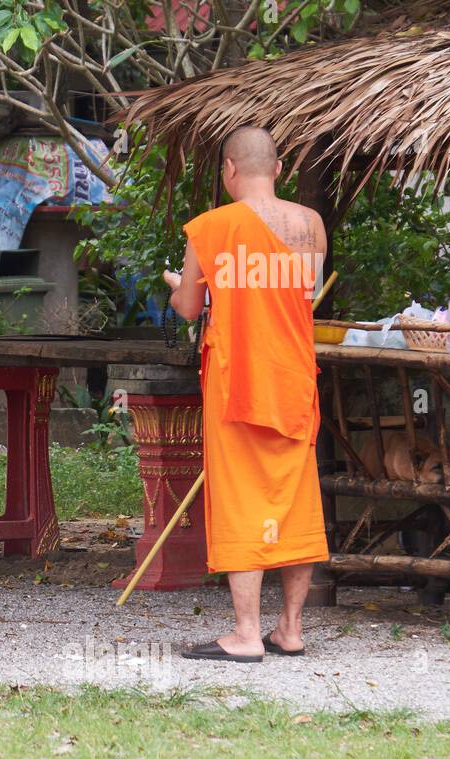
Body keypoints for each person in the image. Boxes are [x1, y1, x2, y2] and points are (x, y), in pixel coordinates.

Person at [164, 126, 329, 662]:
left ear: (229, 171)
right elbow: (302, 297)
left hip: (239, 381)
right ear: (278, 170)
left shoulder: (212, 228)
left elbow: (190, 308)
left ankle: (246, 634)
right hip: (294, 379)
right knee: (295, 500)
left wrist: (180, 286)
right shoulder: (310, 225)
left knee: (243, 499)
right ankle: (291, 629)